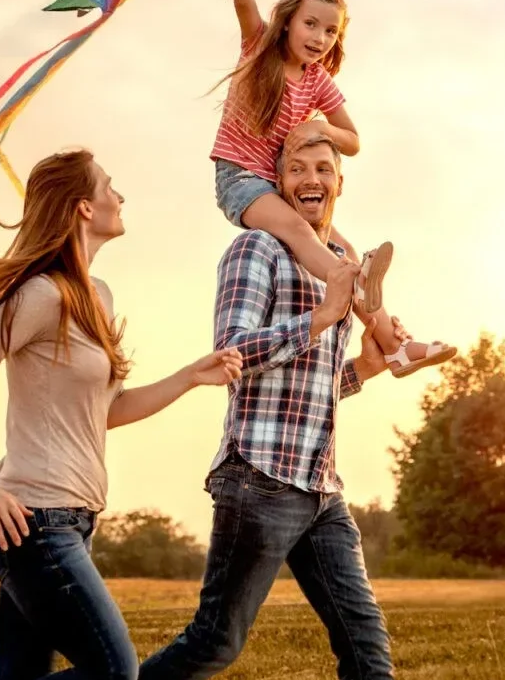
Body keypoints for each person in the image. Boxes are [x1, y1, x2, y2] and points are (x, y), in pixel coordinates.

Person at [0, 149, 244, 679]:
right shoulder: (40, 293)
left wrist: (191, 376)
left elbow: (106, 411)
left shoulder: (96, 296)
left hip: (73, 522)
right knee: (115, 670)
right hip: (34, 522)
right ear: (82, 207)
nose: (120, 198)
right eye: (109, 187)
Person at [138, 134, 399, 679]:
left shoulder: (337, 264)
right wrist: (323, 317)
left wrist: (364, 371)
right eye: (296, 168)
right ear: (278, 184)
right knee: (214, 643)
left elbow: (309, 391)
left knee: (367, 646)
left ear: (339, 183)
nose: (311, 179)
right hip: (260, 480)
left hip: (321, 488)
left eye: (323, 168)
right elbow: (231, 353)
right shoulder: (256, 249)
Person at [201, 0, 455, 381]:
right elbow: (241, 0)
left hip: (278, 187)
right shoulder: (260, 50)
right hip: (240, 180)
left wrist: (322, 130)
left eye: (330, 30)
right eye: (310, 24)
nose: (319, 37)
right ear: (288, 21)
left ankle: (394, 347)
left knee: (346, 250)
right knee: (303, 237)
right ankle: (351, 284)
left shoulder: (317, 81)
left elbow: (353, 139)